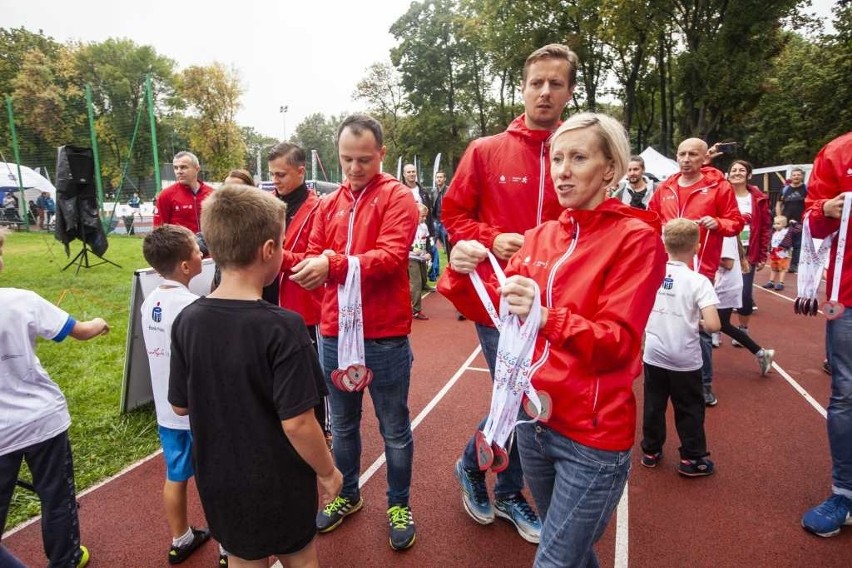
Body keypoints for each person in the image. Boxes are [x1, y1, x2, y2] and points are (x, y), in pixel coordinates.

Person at [439, 112, 667, 566]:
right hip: (534, 425)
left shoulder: (636, 239)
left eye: (578, 157)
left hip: (591, 436)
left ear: (611, 170)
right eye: (558, 157)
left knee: (554, 560)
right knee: (572, 555)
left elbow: (618, 345)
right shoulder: (540, 237)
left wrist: (547, 317)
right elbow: (496, 313)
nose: (562, 169)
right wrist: (461, 269)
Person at [440, 43, 579, 544]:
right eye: (536, 82)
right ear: (522, 88)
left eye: (556, 83)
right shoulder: (485, 150)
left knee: (535, 394)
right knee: (523, 395)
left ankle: (473, 466)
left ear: (568, 90)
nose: (545, 91)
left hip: (561, 299)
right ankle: (508, 486)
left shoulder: (578, 150)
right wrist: (490, 237)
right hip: (498, 300)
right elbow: (452, 216)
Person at [168, 185, 341, 567]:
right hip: (281, 481)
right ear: (268, 251)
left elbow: (179, 405)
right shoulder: (284, 327)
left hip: (219, 478)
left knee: (243, 559)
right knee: (301, 559)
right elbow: (298, 421)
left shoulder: (186, 321)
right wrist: (328, 472)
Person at [290, 114, 419, 551]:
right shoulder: (329, 203)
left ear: (382, 154)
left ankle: (398, 504)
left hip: (383, 337)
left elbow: (390, 257)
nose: (354, 168)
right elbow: (311, 253)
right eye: (346, 159)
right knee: (342, 426)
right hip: (333, 333)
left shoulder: (398, 198)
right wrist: (309, 266)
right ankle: (348, 495)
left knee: (394, 428)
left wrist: (333, 264)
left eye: (364, 159)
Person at [0, 228, 109, 568]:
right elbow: (81, 331)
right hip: (42, 420)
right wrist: (99, 321)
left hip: (13, 429)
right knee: (56, 496)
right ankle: (66, 558)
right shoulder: (20, 300)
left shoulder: (22, 300)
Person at [141, 225, 219, 565]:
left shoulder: (150, 302)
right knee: (214, 480)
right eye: (196, 248)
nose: (201, 251)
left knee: (175, 475)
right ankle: (228, 550)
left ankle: (181, 538)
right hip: (197, 413)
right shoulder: (194, 308)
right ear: (186, 266)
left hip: (166, 412)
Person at [648, 138, 744, 407]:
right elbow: (651, 219)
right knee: (662, 318)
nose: (686, 158)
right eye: (682, 153)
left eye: (693, 154)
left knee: (699, 328)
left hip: (700, 267)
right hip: (664, 267)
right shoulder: (665, 187)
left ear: (704, 158)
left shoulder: (718, 187)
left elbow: (736, 222)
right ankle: (660, 374)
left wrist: (719, 222)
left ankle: (703, 383)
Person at [800, 131, 852, 538]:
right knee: (846, 393)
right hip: (849, 297)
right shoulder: (838, 151)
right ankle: (844, 493)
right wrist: (827, 210)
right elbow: (813, 222)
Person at [641, 218, 720, 476]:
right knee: (689, 409)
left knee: (654, 404)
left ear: (664, 244)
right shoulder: (699, 281)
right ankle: (692, 458)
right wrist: (694, 321)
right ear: (696, 247)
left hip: (654, 354)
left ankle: (650, 451)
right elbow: (713, 325)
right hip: (685, 359)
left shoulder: (652, 273)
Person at [268, 142, 330, 447]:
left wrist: (276, 256)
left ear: (301, 171)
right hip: (268, 302)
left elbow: (316, 257)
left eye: (281, 174)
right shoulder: (267, 204)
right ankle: (283, 426)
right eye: (272, 175)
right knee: (277, 373)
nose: (275, 181)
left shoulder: (319, 208)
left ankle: (324, 429)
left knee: (314, 374)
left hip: (304, 305)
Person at [712, 236, 775, 375]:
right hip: (722, 284)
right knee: (718, 324)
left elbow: (728, 264)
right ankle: (761, 353)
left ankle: (761, 353)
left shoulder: (726, 236)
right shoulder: (726, 233)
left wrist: (700, 253)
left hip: (724, 286)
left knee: (718, 324)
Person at [724, 160, 771, 343]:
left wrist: (762, 254)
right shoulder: (721, 193)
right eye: (733, 170)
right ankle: (717, 329)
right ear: (728, 174)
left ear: (749, 175)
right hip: (723, 250)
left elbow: (766, 227)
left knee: (744, 293)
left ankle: (742, 329)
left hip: (747, 251)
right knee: (718, 291)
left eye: (741, 170)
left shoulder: (758, 198)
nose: (737, 173)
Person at [153, 151, 214, 233]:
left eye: (183, 167)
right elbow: (158, 230)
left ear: (197, 169)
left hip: (208, 245)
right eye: (176, 168)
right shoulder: (166, 195)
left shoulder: (212, 194)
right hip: (179, 245)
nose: (179, 171)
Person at [402, 163, 437, 289]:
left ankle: (423, 282)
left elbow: (429, 212)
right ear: (404, 174)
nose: (412, 174)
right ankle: (410, 282)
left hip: (422, 226)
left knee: (425, 251)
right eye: (409, 172)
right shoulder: (401, 190)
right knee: (411, 253)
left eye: (413, 171)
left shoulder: (422, 191)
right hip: (407, 226)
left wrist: (431, 230)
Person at [776, 166, 807, 272]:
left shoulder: (806, 189)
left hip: (800, 221)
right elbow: (778, 204)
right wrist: (779, 218)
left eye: (798, 175)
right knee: (782, 243)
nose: (796, 177)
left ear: (802, 176)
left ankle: (794, 265)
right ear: (791, 177)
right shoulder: (785, 189)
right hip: (785, 222)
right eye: (794, 175)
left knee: (797, 245)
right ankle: (779, 263)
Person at [409, 203, 432, 320]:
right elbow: (402, 242)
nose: (424, 219)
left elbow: (426, 241)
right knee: (416, 283)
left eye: (425, 216)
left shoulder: (424, 227)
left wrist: (428, 252)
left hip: (421, 258)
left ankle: (407, 300)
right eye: (422, 216)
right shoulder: (408, 226)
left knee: (423, 281)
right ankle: (416, 311)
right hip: (411, 257)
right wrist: (413, 248)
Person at [763, 215, 793, 291]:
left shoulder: (786, 231)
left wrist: (792, 224)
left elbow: (795, 230)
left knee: (782, 269)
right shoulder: (774, 232)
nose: (775, 225)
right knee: (773, 268)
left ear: (784, 224)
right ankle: (771, 282)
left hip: (782, 253)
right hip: (774, 252)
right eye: (775, 223)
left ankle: (781, 283)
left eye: (778, 223)